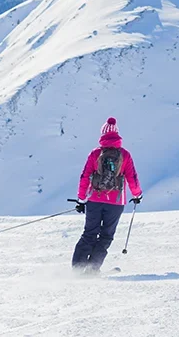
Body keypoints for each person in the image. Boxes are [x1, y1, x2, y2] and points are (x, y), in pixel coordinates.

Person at [72, 117, 142, 273]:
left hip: (94, 200)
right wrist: (137, 195)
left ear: (102, 136)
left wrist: (81, 199)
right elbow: (132, 178)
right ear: (117, 135)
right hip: (116, 203)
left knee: (89, 234)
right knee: (106, 236)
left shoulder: (95, 154)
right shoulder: (125, 155)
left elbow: (84, 177)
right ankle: (92, 270)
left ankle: (77, 270)